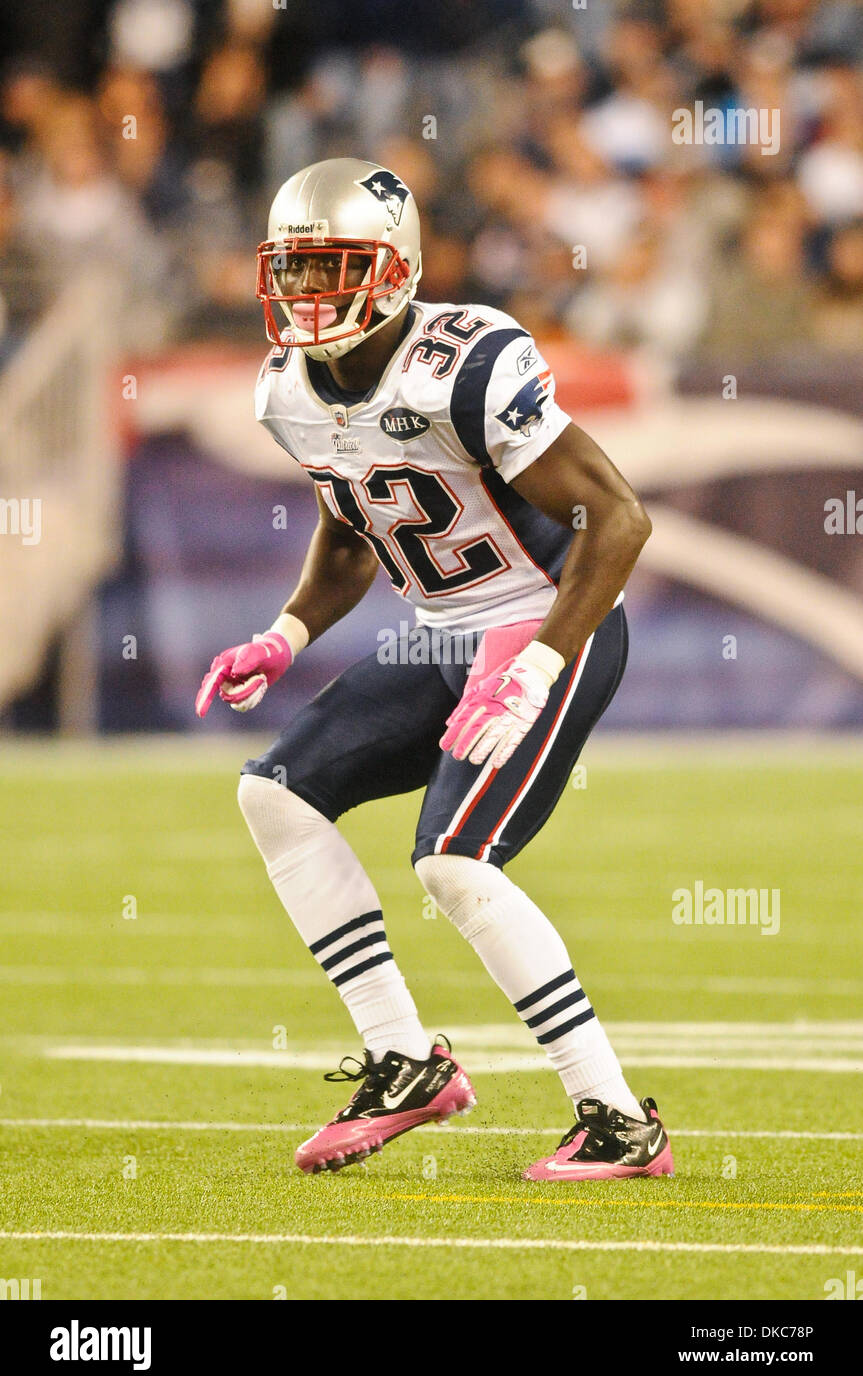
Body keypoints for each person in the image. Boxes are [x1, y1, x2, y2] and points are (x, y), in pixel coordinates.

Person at [196, 157, 672, 1182]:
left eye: (331, 268)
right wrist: (283, 634)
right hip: (439, 630)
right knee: (274, 795)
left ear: (395, 266)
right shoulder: (287, 389)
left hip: (547, 621)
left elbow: (617, 517)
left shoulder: (462, 362)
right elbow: (350, 530)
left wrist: (539, 667)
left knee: (452, 861)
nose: (305, 295)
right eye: (291, 270)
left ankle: (614, 1117)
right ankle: (404, 1057)